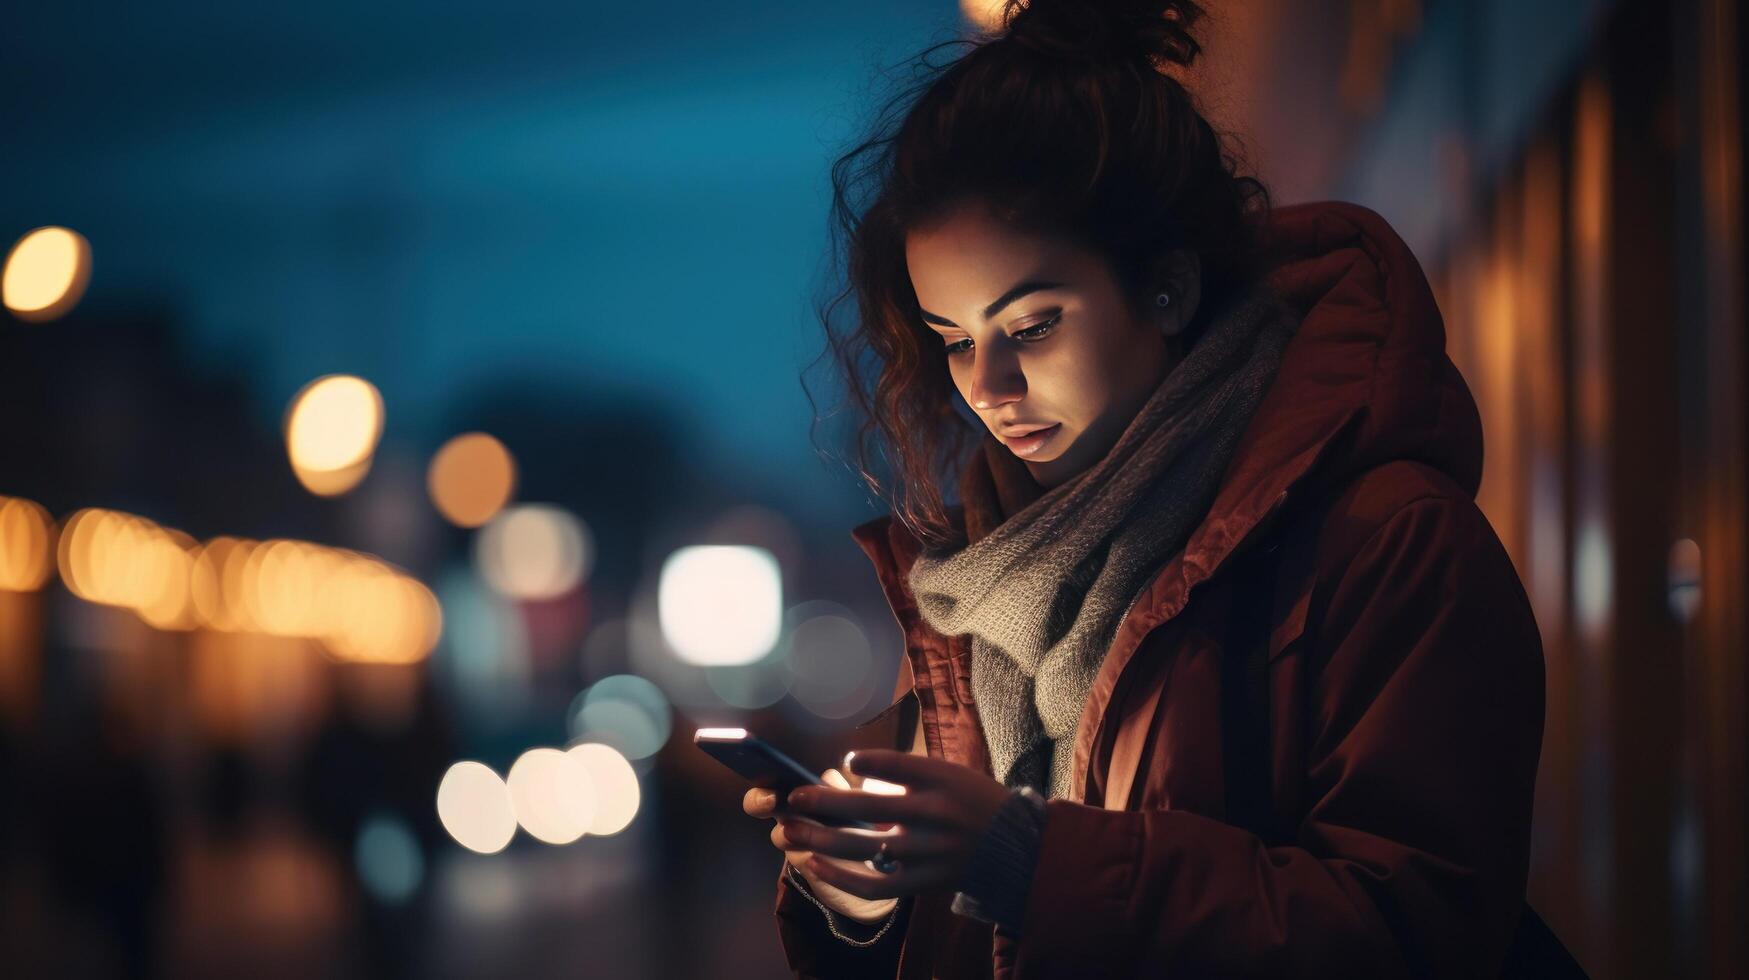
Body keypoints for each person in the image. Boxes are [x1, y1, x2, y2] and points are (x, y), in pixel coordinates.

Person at [743, 1, 1547, 976]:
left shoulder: (1391, 545)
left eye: (1031, 325)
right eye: (954, 339)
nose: (987, 389)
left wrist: (1030, 859)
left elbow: (1415, 931)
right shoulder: (987, 579)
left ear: (1166, 288)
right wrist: (862, 900)